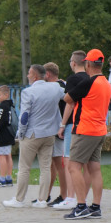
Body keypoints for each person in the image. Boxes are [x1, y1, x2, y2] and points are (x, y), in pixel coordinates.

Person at [59, 48, 111, 219]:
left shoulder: (89, 82)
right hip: (100, 130)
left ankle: (81, 206)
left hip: (85, 130)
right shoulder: (105, 82)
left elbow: (67, 98)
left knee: (73, 166)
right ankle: (95, 207)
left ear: (88, 63)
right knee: (95, 169)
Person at [3, 64, 64, 208]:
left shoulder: (28, 92)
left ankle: (19, 200)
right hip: (49, 134)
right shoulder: (55, 88)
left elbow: (24, 117)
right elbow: (68, 92)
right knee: (45, 167)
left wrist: (21, 133)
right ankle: (42, 200)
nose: (27, 76)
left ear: (35, 76)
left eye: (29, 73)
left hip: (32, 134)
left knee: (24, 167)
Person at [43, 62, 74, 209]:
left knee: (59, 163)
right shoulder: (63, 84)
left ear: (47, 74)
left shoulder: (58, 88)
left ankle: (63, 195)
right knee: (53, 164)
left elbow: (68, 104)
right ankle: (46, 194)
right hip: (57, 128)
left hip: (59, 129)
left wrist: (62, 124)